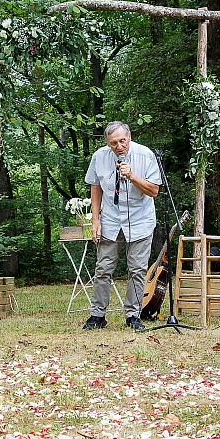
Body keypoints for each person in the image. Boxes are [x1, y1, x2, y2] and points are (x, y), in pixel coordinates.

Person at [81, 121, 162, 333]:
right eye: (113, 143)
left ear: (129, 137)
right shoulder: (99, 156)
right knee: (103, 268)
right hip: (110, 218)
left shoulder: (145, 155)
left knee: (137, 269)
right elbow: (95, 186)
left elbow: (154, 190)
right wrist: (95, 219)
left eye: (122, 141)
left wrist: (132, 176)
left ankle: (133, 316)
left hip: (140, 218)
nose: (118, 146)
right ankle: (97, 315)